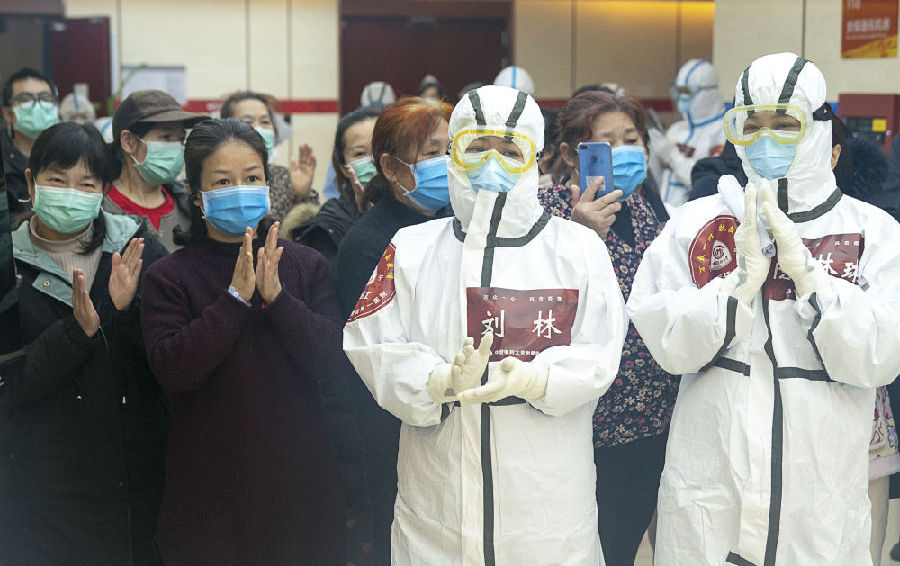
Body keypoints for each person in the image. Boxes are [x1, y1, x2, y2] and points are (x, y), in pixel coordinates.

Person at [626, 52, 900, 566]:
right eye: (751, 125)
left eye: (784, 123)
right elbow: (665, 339)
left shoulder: (875, 232)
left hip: (817, 486)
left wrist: (812, 281)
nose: (766, 138)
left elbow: (880, 353)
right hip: (712, 483)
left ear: (820, 130)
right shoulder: (696, 224)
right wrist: (735, 288)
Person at [343, 85, 627, 565]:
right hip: (439, 499)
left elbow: (600, 349)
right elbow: (370, 344)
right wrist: (436, 381)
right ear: (454, 153)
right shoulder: (410, 249)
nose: (492, 162)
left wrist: (538, 380)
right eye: (476, 147)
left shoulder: (577, 249)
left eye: (511, 150)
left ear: (535, 158)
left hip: (546, 503)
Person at [140, 118, 346, 564]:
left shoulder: (306, 265)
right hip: (210, 500)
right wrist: (233, 300)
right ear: (195, 194)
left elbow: (333, 361)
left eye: (251, 177)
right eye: (222, 181)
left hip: (301, 492)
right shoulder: (169, 276)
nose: (240, 189)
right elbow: (173, 370)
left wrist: (279, 301)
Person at [0, 121, 169, 564]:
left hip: (130, 479)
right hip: (40, 488)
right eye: (58, 180)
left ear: (103, 192)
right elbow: (10, 386)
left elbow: (166, 360)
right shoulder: (8, 262)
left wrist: (125, 312)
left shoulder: (136, 248)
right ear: (31, 183)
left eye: (86, 184)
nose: (71, 194)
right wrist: (77, 330)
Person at [536, 90, 676, 566]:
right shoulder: (547, 212)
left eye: (631, 139)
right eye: (607, 143)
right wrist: (577, 234)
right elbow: (538, 307)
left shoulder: (645, 209)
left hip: (651, 415)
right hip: (586, 420)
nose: (624, 152)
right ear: (572, 154)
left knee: (622, 544)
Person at [334, 97, 453, 565]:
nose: (445, 163)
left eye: (450, 149)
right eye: (431, 152)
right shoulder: (369, 242)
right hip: (392, 431)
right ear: (389, 166)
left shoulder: (455, 224)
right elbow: (371, 357)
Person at [103, 90, 207, 252]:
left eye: (181, 139)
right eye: (165, 136)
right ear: (128, 142)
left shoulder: (190, 208)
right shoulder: (99, 208)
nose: (177, 147)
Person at [289, 106, 380, 265]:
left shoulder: (417, 206)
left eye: (380, 149)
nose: (372, 160)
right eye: (359, 153)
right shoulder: (327, 226)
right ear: (343, 167)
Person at [219, 91, 319, 224]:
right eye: (248, 122)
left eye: (265, 122)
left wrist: (303, 195)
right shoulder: (219, 177)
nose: (258, 128)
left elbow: (311, 227)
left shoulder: (284, 177)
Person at [650, 59, 726, 212]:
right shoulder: (676, 130)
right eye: (678, 92)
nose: (681, 99)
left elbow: (707, 181)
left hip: (699, 215)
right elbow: (656, 177)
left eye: (687, 93)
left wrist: (672, 156)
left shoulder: (723, 131)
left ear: (708, 93)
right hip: (664, 212)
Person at [1, 67, 59, 217]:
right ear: (8, 114)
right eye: (26, 99)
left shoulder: (71, 156)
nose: (38, 106)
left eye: (45, 98)